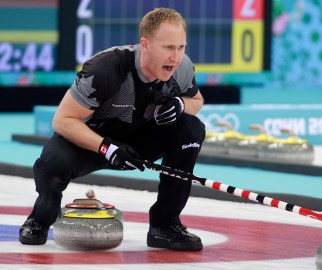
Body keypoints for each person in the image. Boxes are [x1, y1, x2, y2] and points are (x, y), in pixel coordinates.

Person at [19, 7, 205, 251]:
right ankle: (40, 218)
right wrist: (106, 147)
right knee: (52, 163)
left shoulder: (181, 68)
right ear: (145, 44)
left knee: (191, 130)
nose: (176, 56)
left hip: (140, 139)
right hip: (91, 141)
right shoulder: (105, 68)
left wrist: (181, 105)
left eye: (181, 47)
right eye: (168, 47)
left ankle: (164, 225)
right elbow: (63, 121)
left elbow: (197, 101)